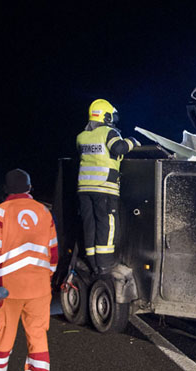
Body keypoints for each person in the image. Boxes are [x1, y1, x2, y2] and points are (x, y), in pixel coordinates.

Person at [0, 169, 58, 371]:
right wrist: (44, 280)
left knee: (4, 334)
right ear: (30, 188)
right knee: (38, 335)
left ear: (5, 189)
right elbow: (53, 254)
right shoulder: (44, 211)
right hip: (40, 289)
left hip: (7, 289)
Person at [77, 98, 139, 274]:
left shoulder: (82, 136)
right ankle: (105, 264)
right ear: (106, 116)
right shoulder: (108, 132)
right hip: (104, 187)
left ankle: (93, 262)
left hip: (84, 188)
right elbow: (118, 149)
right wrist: (132, 141)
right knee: (107, 224)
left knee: (89, 224)